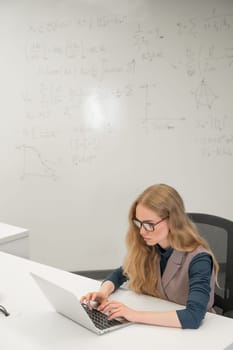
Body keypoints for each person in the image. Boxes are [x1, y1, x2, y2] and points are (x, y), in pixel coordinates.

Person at [81, 183, 219, 329]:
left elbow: (193, 317)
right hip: (161, 327)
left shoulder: (199, 259)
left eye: (149, 224)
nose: (142, 231)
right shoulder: (152, 248)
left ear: (173, 221)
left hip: (198, 335)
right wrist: (103, 292)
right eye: (139, 223)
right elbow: (120, 274)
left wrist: (133, 314)